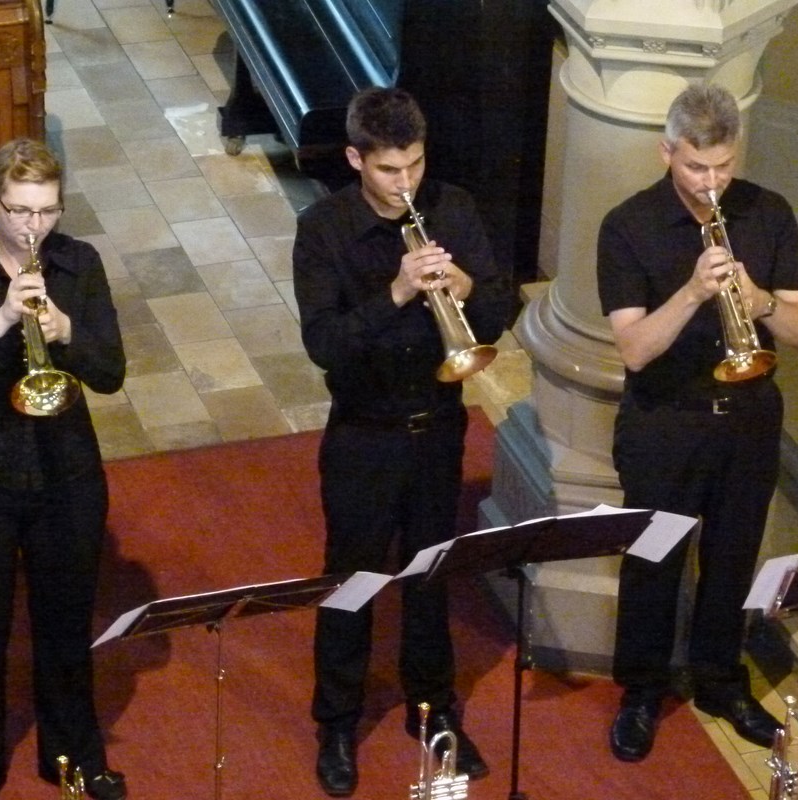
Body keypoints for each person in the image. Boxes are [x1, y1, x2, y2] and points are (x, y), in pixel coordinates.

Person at [293, 86, 510, 797]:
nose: (405, 182)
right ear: (356, 158)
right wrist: (394, 292)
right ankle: (336, 721)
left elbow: (500, 308)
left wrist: (463, 281)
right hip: (364, 433)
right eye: (389, 170)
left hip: (437, 427)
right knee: (353, 580)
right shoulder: (322, 229)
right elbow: (325, 345)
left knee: (429, 576)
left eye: (413, 164)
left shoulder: (453, 207)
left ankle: (434, 710)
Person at [596, 83, 798, 763]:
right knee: (653, 561)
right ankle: (640, 690)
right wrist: (693, 290)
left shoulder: (768, 213)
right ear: (667, 153)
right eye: (697, 166)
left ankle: (721, 679)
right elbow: (633, 349)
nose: (712, 182)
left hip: (747, 419)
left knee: (730, 561)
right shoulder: (626, 226)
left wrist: (756, 302)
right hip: (666, 421)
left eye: (723, 165)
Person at [0, 138, 127, 800]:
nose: (33, 226)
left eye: (46, 211)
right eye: (19, 210)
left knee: (66, 625)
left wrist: (64, 330)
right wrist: (3, 318)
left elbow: (111, 373)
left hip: (64, 472)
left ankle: (74, 756)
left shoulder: (79, 264)